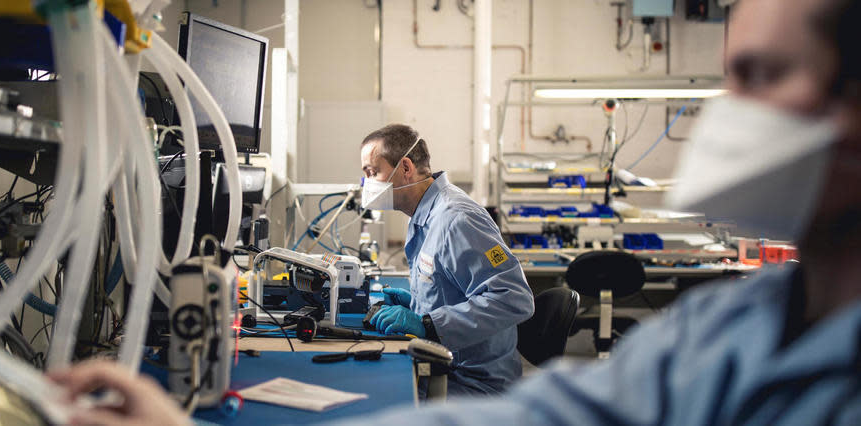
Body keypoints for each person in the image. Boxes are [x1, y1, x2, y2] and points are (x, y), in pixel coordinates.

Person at [51, 0, 860, 423]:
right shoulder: (729, 331)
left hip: (476, 376)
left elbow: (507, 301)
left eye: (759, 75)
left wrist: (431, 328)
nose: (727, 113)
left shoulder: (462, 217)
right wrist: (408, 300)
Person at [359, 124, 535, 395]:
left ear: (405, 168)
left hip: (473, 383)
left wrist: (427, 324)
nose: (367, 183)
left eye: (373, 172)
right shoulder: (423, 215)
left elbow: (513, 298)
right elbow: (454, 288)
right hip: (442, 366)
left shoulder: (456, 218)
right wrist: (416, 304)